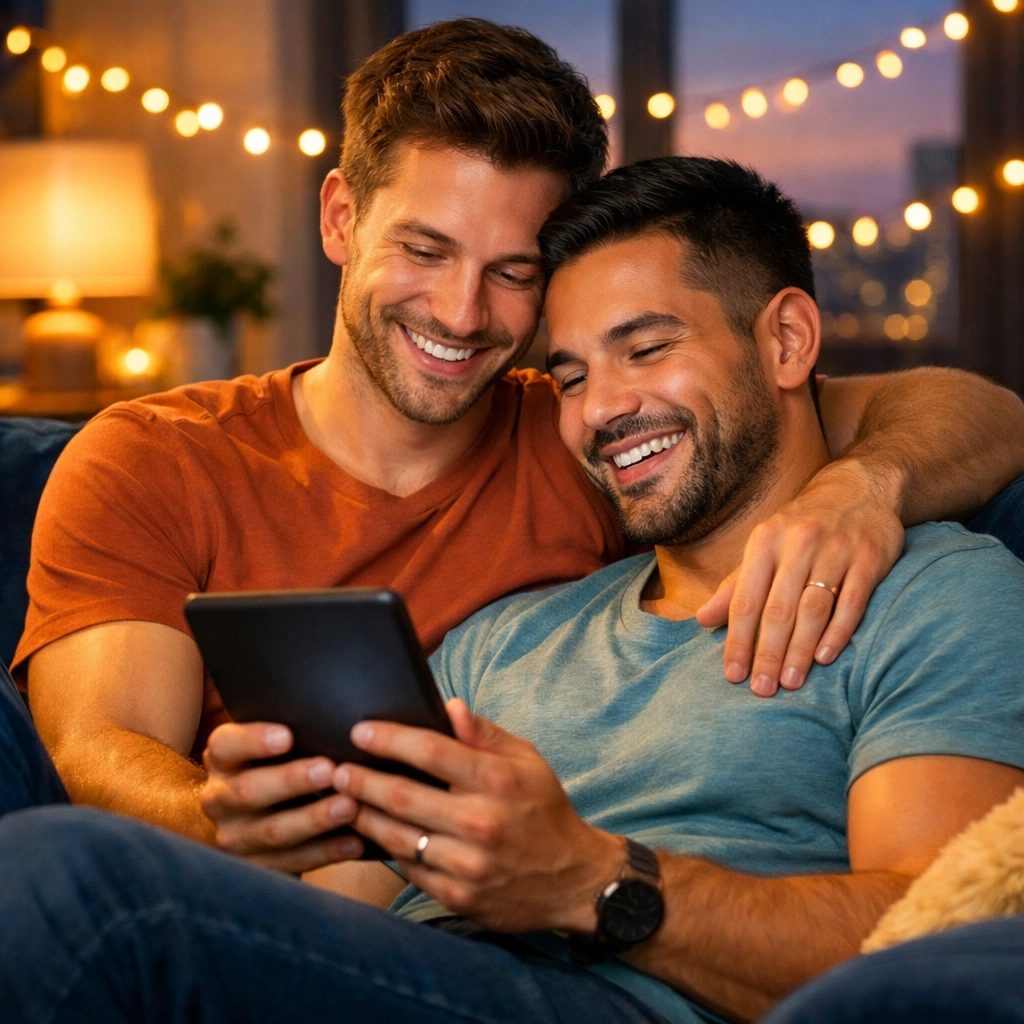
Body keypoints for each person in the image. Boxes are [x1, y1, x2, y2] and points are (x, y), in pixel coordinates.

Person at [2, 156, 1023, 1024]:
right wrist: (255, 828)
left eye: (648, 346)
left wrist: (591, 880)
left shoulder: (935, 596)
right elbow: (338, 922)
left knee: (72, 881)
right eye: (571, 375)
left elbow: (932, 943)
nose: (604, 410)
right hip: (426, 974)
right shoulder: (503, 637)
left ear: (787, 342)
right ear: (342, 220)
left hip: (623, 997)